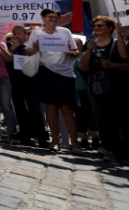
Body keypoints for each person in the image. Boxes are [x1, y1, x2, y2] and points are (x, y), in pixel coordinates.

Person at [25, 8, 80, 153]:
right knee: (51, 108)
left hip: (65, 74)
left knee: (67, 109)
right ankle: (55, 141)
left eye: (56, 17)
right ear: (43, 18)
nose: (53, 19)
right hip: (46, 72)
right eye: (50, 17)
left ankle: (74, 143)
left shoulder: (65, 32)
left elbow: (75, 51)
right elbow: (28, 51)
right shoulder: (36, 33)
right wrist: (35, 49)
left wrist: (71, 53)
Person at [79, 16, 129, 161]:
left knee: (122, 119)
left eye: (100, 26)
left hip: (118, 87)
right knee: (104, 119)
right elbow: (83, 66)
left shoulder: (115, 42)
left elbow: (125, 58)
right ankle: (111, 148)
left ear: (109, 28)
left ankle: (124, 150)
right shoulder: (90, 44)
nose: (96, 28)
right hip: (98, 88)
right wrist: (89, 51)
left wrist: (119, 36)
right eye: (95, 26)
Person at [7, 25, 47, 146]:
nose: (17, 35)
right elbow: (7, 61)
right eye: (15, 33)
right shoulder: (10, 48)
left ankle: (41, 137)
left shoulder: (29, 48)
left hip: (30, 82)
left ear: (25, 35)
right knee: (20, 110)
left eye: (20, 33)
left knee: (34, 109)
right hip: (16, 82)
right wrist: (12, 49)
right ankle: (25, 136)